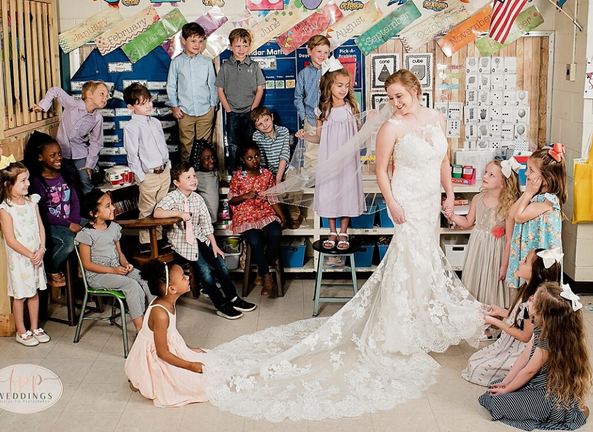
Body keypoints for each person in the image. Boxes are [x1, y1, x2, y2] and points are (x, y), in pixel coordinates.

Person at [200, 70, 484, 421]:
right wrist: (392, 201)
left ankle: (420, 322)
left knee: (425, 259)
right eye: (390, 98)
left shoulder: (436, 118)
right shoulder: (391, 127)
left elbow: (443, 159)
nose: (395, 103)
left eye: (400, 96)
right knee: (409, 258)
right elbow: (381, 170)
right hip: (406, 199)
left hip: (430, 199)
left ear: (415, 90)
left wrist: (451, 195)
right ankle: (400, 329)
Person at [479, 281, 591, 430]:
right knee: (493, 388)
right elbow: (524, 357)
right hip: (535, 383)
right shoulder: (540, 328)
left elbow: (529, 370)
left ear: (542, 312)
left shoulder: (548, 339)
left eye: (534, 300)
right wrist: (507, 381)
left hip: (547, 395)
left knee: (499, 401)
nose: (530, 298)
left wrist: (507, 390)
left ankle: (568, 412)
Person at [154, 163, 256, 320]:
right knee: (204, 271)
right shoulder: (172, 197)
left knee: (220, 262)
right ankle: (221, 305)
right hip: (183, 242)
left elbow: (206, 225)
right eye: (188, 177)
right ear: (177, 183)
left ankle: (233, 298)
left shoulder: (198, 199)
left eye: (194, 176)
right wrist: (179, 213)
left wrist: (215, 246)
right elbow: (157, 213)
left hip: (199, 238)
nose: (193, 180)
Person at [463, 248, 562, 386]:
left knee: (477, 369)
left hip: (521, 349)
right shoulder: (526, 290)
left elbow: (524, 336)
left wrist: (493, 321)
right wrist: (502, 312)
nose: (521, 261)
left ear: (536, 272)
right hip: (508, 344)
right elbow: (520, 316)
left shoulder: (534, 302)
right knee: (475, 360)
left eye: (525, 261)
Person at [296, 60, 364, 250]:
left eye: (347, 86)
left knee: (346, 192)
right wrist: (305, 136)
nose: (344, 89)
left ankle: (344, 231)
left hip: (348, 160)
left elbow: (358, 133)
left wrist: (370, 122)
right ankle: (332, 231)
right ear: (329, 85)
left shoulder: (351, 108)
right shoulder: (322, 111)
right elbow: (319, 137)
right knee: (330, 192)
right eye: (339, 85)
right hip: (329, 160)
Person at [125, 260, 208, 407]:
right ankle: (141, 377)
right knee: (199, 385)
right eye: (183, 277)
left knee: (207, 361)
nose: (188, 277)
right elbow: (162, 353)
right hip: (157, 356)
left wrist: (187, 348)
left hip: (165, 348)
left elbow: (171, 335)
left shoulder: (168, 301)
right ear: (172, 289)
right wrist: (190, 365)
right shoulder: (160, 313)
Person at [75, 189, 154, 333]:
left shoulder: (114, 228)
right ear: (94, 213)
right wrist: (113, 270)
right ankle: (141, 331)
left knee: (146, 278)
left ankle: (156, 319)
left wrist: (125, 264)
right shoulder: (85, 234)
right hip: (98, 276)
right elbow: (87, 264)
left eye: (111, 204)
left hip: (117, 269)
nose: (113, 208)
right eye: (107, 206)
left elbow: (119, 252)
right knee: (131, 285)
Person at [0, 157, 50, 347]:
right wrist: (30, 255)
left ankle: (34, 327)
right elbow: (10, 239)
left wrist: (41, 249)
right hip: (20, 260)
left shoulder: (31, 202)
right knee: (21, 296)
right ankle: (21, 331)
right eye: (23, 181)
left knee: (34, 292)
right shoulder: (5, 209)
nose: (28, 184)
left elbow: (40, 227)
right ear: (9, 185)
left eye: (27, 179)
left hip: (36, 256)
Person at [448, 159, 520, 307]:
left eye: (491, 175)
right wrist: (452, 216)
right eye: (486, 172)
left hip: (496, 251)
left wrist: (505, 265)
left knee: (492, 282)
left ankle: (493, 317)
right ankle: (475, 312)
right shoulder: (477, 198)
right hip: (477, 248)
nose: (485, 176)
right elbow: (468, 222)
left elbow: (509, 239)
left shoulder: (509, 205)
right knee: (476, 279)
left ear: (503, 183)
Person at [228, 142, 286, 296]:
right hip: (245, 214)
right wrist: (245, 196)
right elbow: (231, 200)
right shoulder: (238, 176)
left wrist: (281, 215)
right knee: (254, 241)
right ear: (242, 160)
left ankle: (262, 271)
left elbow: (272, 197)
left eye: (256, 156)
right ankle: (267, 278)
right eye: (249, 158)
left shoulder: (266, 174)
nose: (254, 160)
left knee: (276, 233)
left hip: (264, 211)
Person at [26, 131, 81, 288]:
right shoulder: (37, 182)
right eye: (52, 155)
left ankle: (84, 264)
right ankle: (51, 269)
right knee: (68, 242)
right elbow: (43, 213)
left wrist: (75, 221)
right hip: (51, 225)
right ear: (40, 157)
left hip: (70, 219)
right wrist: (69, 225)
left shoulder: (64, 174)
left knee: (95, 226)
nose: (58, 158)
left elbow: (74, 200)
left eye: (59, 154)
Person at [32, 81, 108, 196]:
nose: (105, 98)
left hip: (81, 154)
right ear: (89, 94)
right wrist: (43, 106)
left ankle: (91, 210)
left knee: (85, 182)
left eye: (107, 96)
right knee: (69, 183)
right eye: (102, 94)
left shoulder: (97, 118)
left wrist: (89, 164)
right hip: (62, 152)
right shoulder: (73, 104)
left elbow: (96, 142)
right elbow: (55, 90)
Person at [506, 144, 566, 289]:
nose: (526, 173)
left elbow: (519, 217)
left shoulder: (548, 200)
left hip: (538, 256)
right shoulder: (536, 196)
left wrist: (527, 193)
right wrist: (528, 193)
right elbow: (512, 213)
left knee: (538, 290)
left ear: (546, 178)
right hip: (529, 250)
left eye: (531, 170)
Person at [123, 83, 171, 253]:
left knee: (161, 207)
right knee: (147, 209)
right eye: (142, 103)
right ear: (131, 107)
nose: (148, 105)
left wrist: (168, 165)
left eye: (149, 101)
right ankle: (146, 243)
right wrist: (141, 176)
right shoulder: (131, 128)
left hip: (163, 171)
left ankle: (158, 239)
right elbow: (132, 155)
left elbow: (162, 146)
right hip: (148, 175)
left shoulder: (156, 122)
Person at [290, 35, 330, 228]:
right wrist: (304, 114)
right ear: (309, 51)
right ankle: (313, 191)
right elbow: (298, 96)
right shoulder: (304, 74)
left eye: (325, 52)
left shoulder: (332, 70)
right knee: (311, 153)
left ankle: (327, 185)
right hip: (311, 119)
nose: (322, 55)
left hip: (330, 119)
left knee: (329, 153)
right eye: (318, 51)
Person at [167, 22, 218, 163]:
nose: (197, 45)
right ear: (183, 41)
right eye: (193, 41)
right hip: (184, 111)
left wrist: (213, 106)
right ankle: (186, 176)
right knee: (186, 145)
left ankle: (202, 176)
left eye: (200, 41)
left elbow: (212, 85)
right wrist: (175, 106)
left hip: (205, 110)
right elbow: (171, 86)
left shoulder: (207, 62)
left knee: (204, 146)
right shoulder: (176, 62)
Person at [216, 28, 265, 172]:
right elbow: (220, 89)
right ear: (230, 46)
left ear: (249, 46)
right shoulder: (225, 67)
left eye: (245, 45)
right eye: (238, 46)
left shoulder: (254, 66)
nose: (241, 49)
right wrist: (228, 109)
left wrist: (253, 109)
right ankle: (233, 172)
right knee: (233, 143)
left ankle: (250, 171)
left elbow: (259, 89)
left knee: (249, 142)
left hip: (249, 112)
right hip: (233, 112)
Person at [190, 140, 220, 224]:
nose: (212, 161)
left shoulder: (215, 173)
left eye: (213, 157)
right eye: (207, 158)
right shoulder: (196, 176)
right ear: (198, 160)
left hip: (212, 220)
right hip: (202, 221)